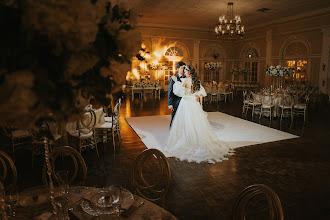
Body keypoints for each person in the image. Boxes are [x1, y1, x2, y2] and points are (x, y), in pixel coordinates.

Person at [163, 65, 234, 163]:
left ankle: (189, 143)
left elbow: (179, 92)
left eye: (185, 70)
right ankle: (197, 141)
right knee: (196, 122)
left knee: (186, 123)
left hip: (187, 103)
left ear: (188, 72)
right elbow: (202, 93)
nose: (184, 72)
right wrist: (197, 96)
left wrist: (176, 81)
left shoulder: (186, 80)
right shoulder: (197, 81)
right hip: (194, 103)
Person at [168, 61, 186, 127]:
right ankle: (172, 133)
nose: (184, 70)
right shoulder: (173, 78)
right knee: (174, 118)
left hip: (185, 102)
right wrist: (170, 104)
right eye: (182, 68)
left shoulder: (188, 78)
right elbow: (170, 91)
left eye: (184, 68)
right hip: (176, 102)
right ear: (177, 69)